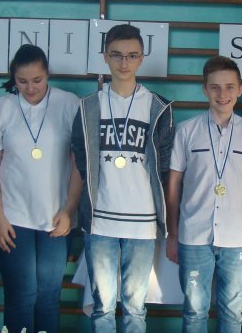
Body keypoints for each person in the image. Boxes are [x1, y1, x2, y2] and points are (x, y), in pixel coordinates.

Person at [71, 23, 174, 333]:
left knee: (134, 307)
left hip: (142, 221)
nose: (124, 63)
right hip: (100, 220)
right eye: (116, 55)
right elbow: (80, 155)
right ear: (105, 57)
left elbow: (165, 166)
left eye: (131, 55)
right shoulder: (89, 106)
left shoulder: (157, 107)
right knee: (102, 307)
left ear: (142, 58)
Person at [0, 44, 82, 333]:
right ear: (13, 78)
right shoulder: (0, 108)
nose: (30, 88)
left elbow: (79, 164)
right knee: (20, 296)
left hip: (57, 218)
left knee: (49, 297)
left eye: (37, 80)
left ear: (48, 73)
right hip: (13, 218)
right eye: (22, 81)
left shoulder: (69, 103)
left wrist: (69, 209)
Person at [165, 56, 242, 333]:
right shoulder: (186, 131)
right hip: (194, 236)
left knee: (232, 312)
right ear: (205, 89)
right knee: (194, 312)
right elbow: (173, 185)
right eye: (215, 87)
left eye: (230, 87)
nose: (223, 94)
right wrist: (173, 233)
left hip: (237, 238)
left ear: (240, 89)